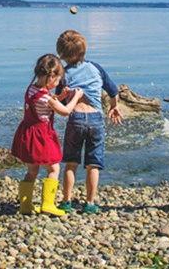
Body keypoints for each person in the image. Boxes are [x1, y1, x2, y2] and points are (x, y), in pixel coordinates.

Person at [55, 29, 124, 214]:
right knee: (93, 164)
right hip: (95, 119)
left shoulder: (63, 74)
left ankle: (66, 201)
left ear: (61, 54)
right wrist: (113, 107)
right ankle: (90, 203)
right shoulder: (96, 68)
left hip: (76, 118)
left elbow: (60, 101)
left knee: (71, 162)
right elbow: (113, 91)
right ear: (83, 51)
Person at [11, 54, 84, 216]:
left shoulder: (32, 89)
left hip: (27, 134)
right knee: (54, 168)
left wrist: (60, 97)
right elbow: (64, 111)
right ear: (51, 77)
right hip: (41, 136)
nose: (57, 84)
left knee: (32, 170)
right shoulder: (46, 97)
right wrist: (75, 98)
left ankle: (25, 205)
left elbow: (46, 101)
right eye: (57, 80)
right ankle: (48, 204)